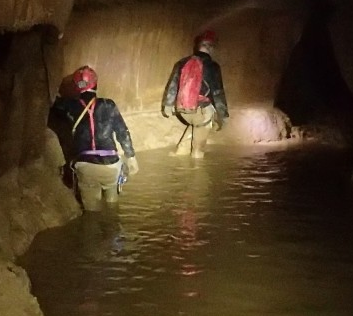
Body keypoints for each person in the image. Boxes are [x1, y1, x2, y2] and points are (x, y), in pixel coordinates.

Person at [50, 66, 139, 211]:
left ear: (77, 87)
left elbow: (54, 106)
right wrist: (131, 157)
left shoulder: (69, 106)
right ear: (95, 84)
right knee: (112, 207)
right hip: (110, 165)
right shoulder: (109, 105)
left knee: (93, 213)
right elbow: (123, 131)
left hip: (86, 166)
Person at [161, 29, 229, 159]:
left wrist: (167, 105)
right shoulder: (213, 66)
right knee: (198, 152)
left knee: (197, 124)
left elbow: (173, 86)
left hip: (182, 110)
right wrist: (223, 116)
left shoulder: (182, 63)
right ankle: (196, 166)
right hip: (201, 112)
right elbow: (218, 93)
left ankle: (180, 151)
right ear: (211, 48)